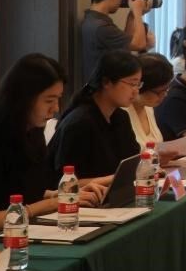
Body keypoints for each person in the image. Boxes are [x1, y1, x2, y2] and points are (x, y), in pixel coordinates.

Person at [0, 55, 105, 244]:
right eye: (49, 101)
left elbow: (29, 191)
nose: (56, 108)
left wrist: (67, 195)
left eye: (58, 99)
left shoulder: (32, 132)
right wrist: (48, 205)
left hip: (23, 234)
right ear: (23, 99)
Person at [49, 51, 142, 181]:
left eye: (138, 85)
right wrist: (113, 179)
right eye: (132, 84)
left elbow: (132, 162)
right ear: (106, 82)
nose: (136, 91)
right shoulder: (79, 123)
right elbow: (65, 181)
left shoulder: (121, 117)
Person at [80, 0, 150, 82]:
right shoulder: (101, 27)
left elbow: (125, 47)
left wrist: (132, 16)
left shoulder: (93, 20)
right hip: (102, 89)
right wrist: (138, 13)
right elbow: (139, 44)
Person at [124, 53, 173, 149]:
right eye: (159, 92)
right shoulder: (122, 112)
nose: (165, 95)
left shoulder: (148, 107)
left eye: (166, 89)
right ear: (140, 87)